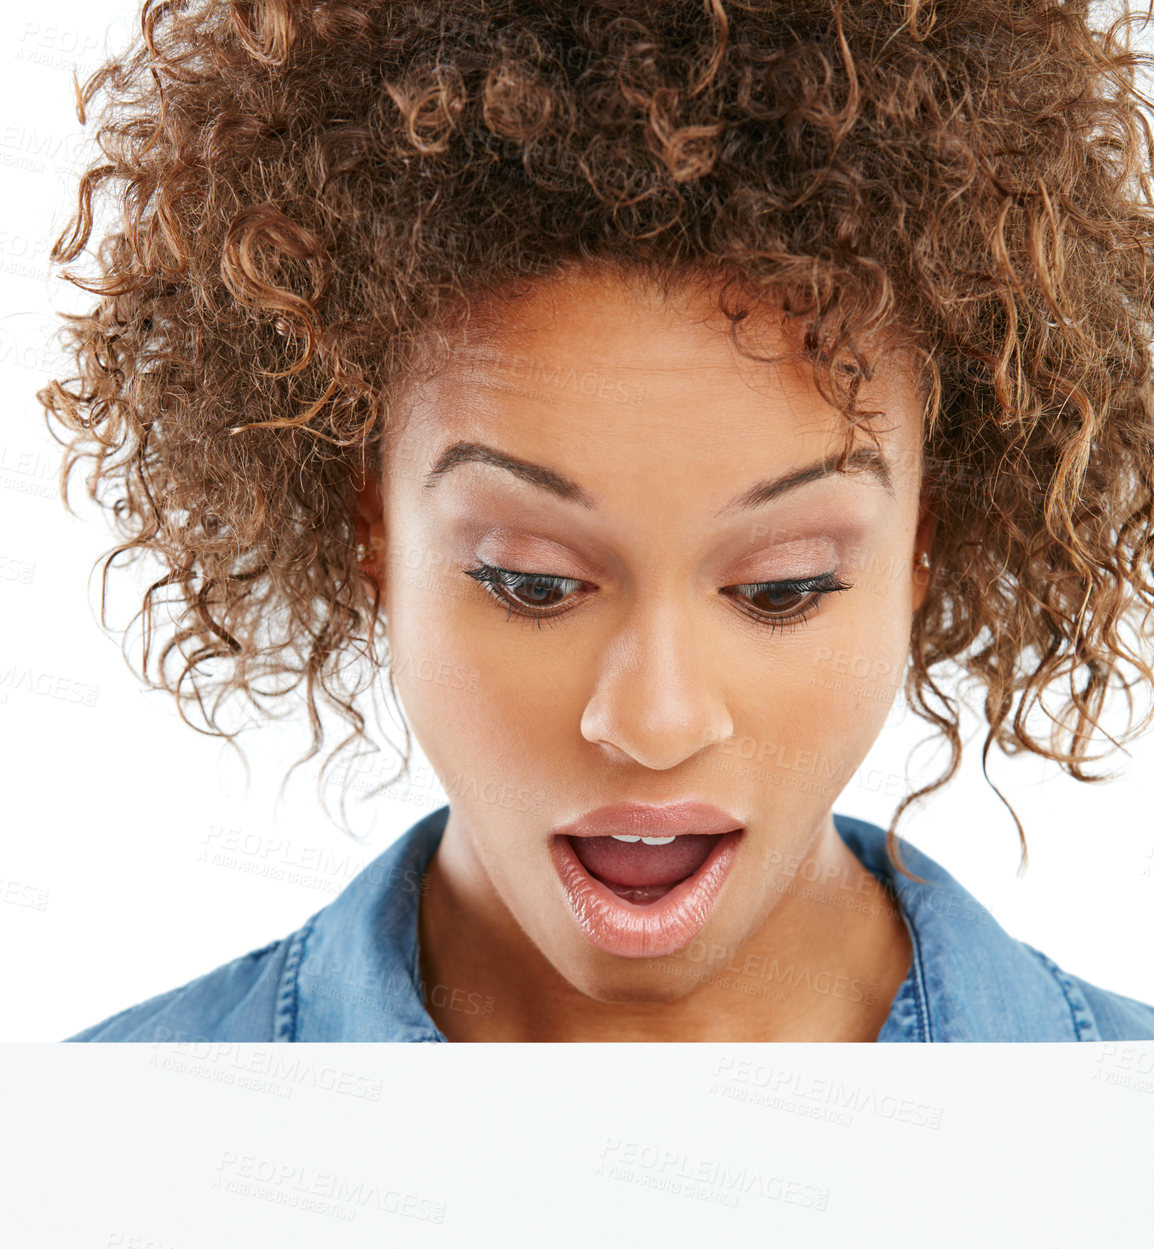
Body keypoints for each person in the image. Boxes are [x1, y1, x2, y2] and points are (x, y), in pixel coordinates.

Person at [49, 0, 1154, 1042]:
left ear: (926, 538)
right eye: (530, 581)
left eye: (780, 587)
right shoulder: (79, 1173)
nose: (653, 723)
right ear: (368, 526)